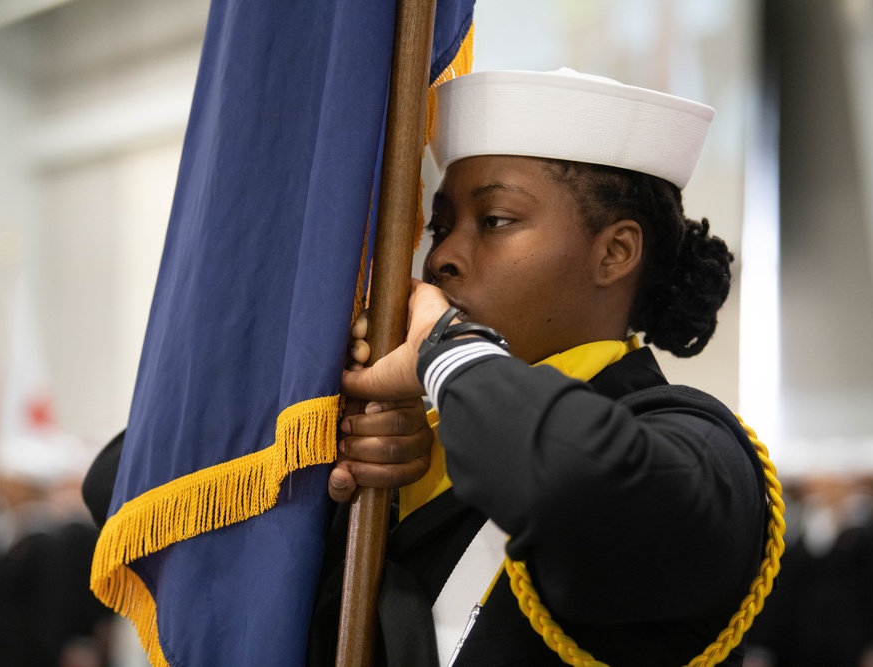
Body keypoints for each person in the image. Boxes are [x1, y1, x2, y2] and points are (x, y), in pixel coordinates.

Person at [308, 69, 771, 666]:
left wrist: (449, 353)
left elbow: (574, 485)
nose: (442, 255)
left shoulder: (702, 444)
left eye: (496, 220)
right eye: (440, 226)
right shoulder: (432, 447)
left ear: (615, 252)